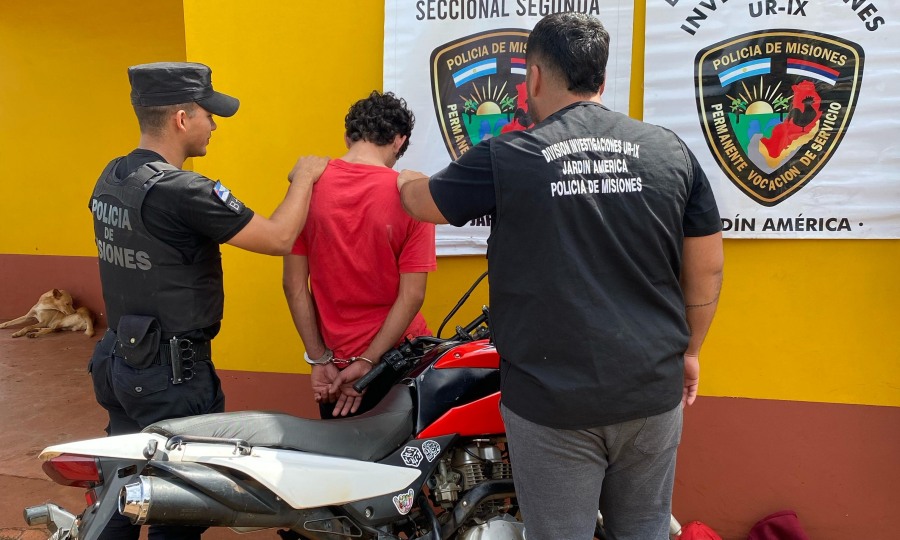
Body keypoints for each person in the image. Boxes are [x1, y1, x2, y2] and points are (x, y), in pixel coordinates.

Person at [397, 13, 724, 540]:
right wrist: (691, 351)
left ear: (534, 78)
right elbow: (707, 269)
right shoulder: (670, 151)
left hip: (551, 402)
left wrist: (405, 177)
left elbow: (423, 203)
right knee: (643, 529)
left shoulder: (509, 155)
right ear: (601, 77)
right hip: (650, 390)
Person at [88, 61, 327, 540]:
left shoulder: (113, 176)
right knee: (177, 510)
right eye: (208, 114)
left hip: (120, 359)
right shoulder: (184, 191)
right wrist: (304, 177)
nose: (214, 125)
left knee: (121, 492)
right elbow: (279, 237)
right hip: (171, 377)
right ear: (181, 119)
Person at [283, 90, 436, 419]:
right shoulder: (411, 194)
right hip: (400, 357)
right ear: (398, 141)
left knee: (343, 464)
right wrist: (369, 361)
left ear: (348, 136)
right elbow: (413, 294)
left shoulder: (306, 187)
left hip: (334, 366)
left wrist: (319, 359)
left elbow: (293, 286)